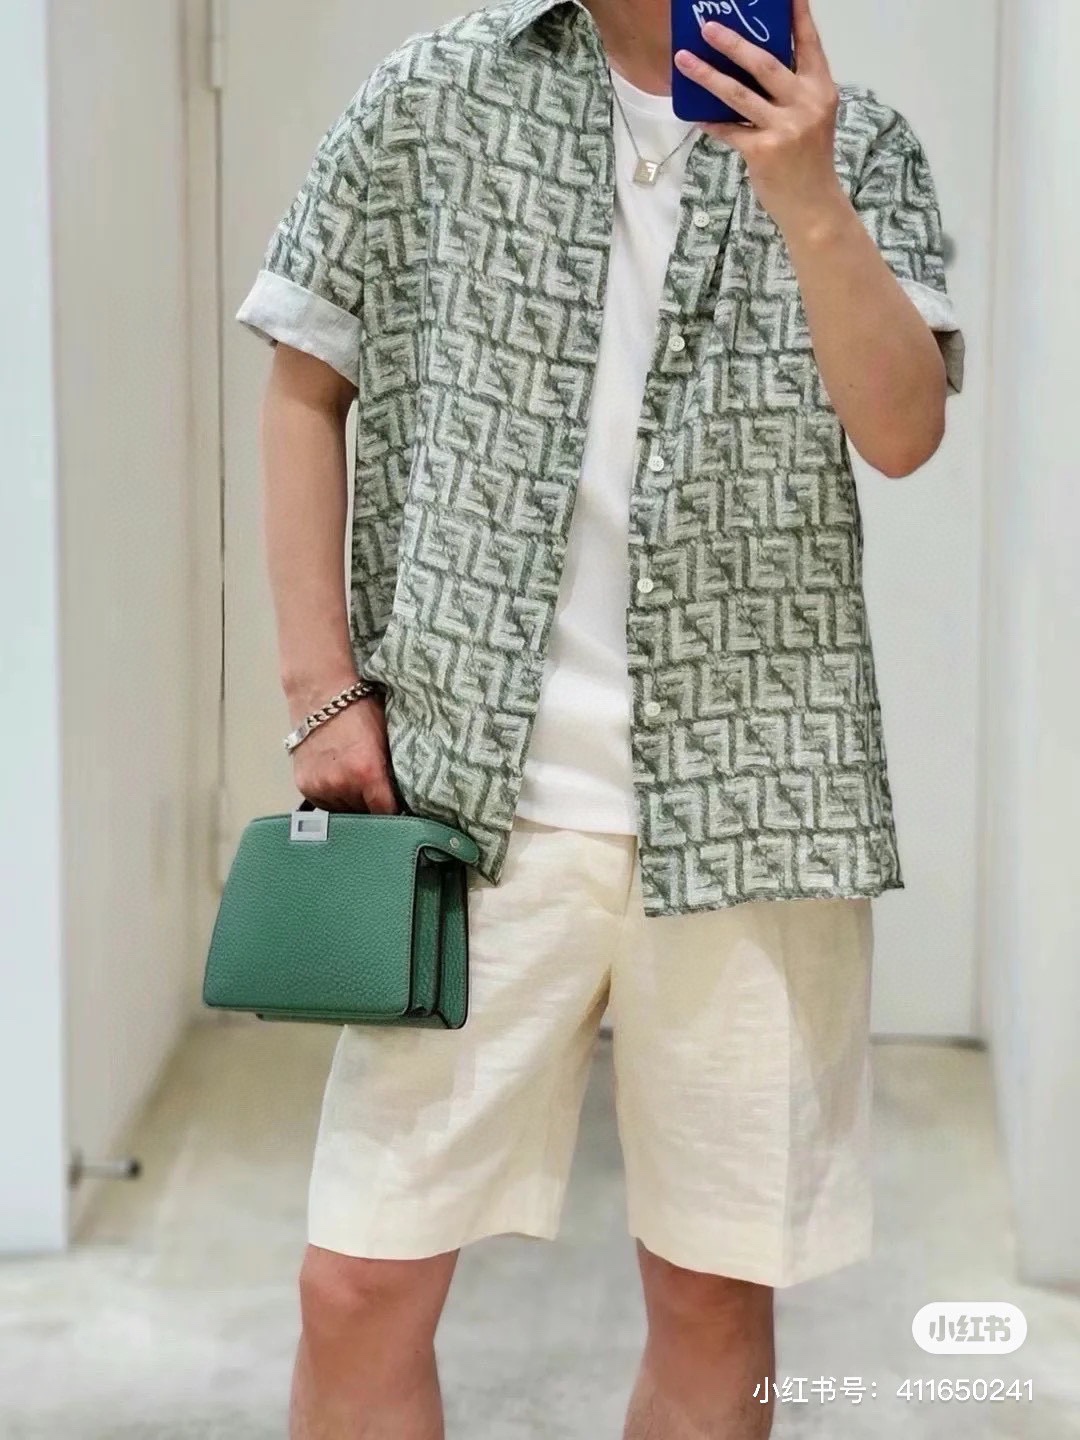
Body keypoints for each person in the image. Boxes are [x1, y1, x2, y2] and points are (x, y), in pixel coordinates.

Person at [237, 0, 965, 1433]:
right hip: (469, 800)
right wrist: (320, 687)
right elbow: (304, 384)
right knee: (358, 1282)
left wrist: (809, 198)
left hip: (755, 804)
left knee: (713, 1301)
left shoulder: (859, 145)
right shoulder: (434, 93)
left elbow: (903, 431)